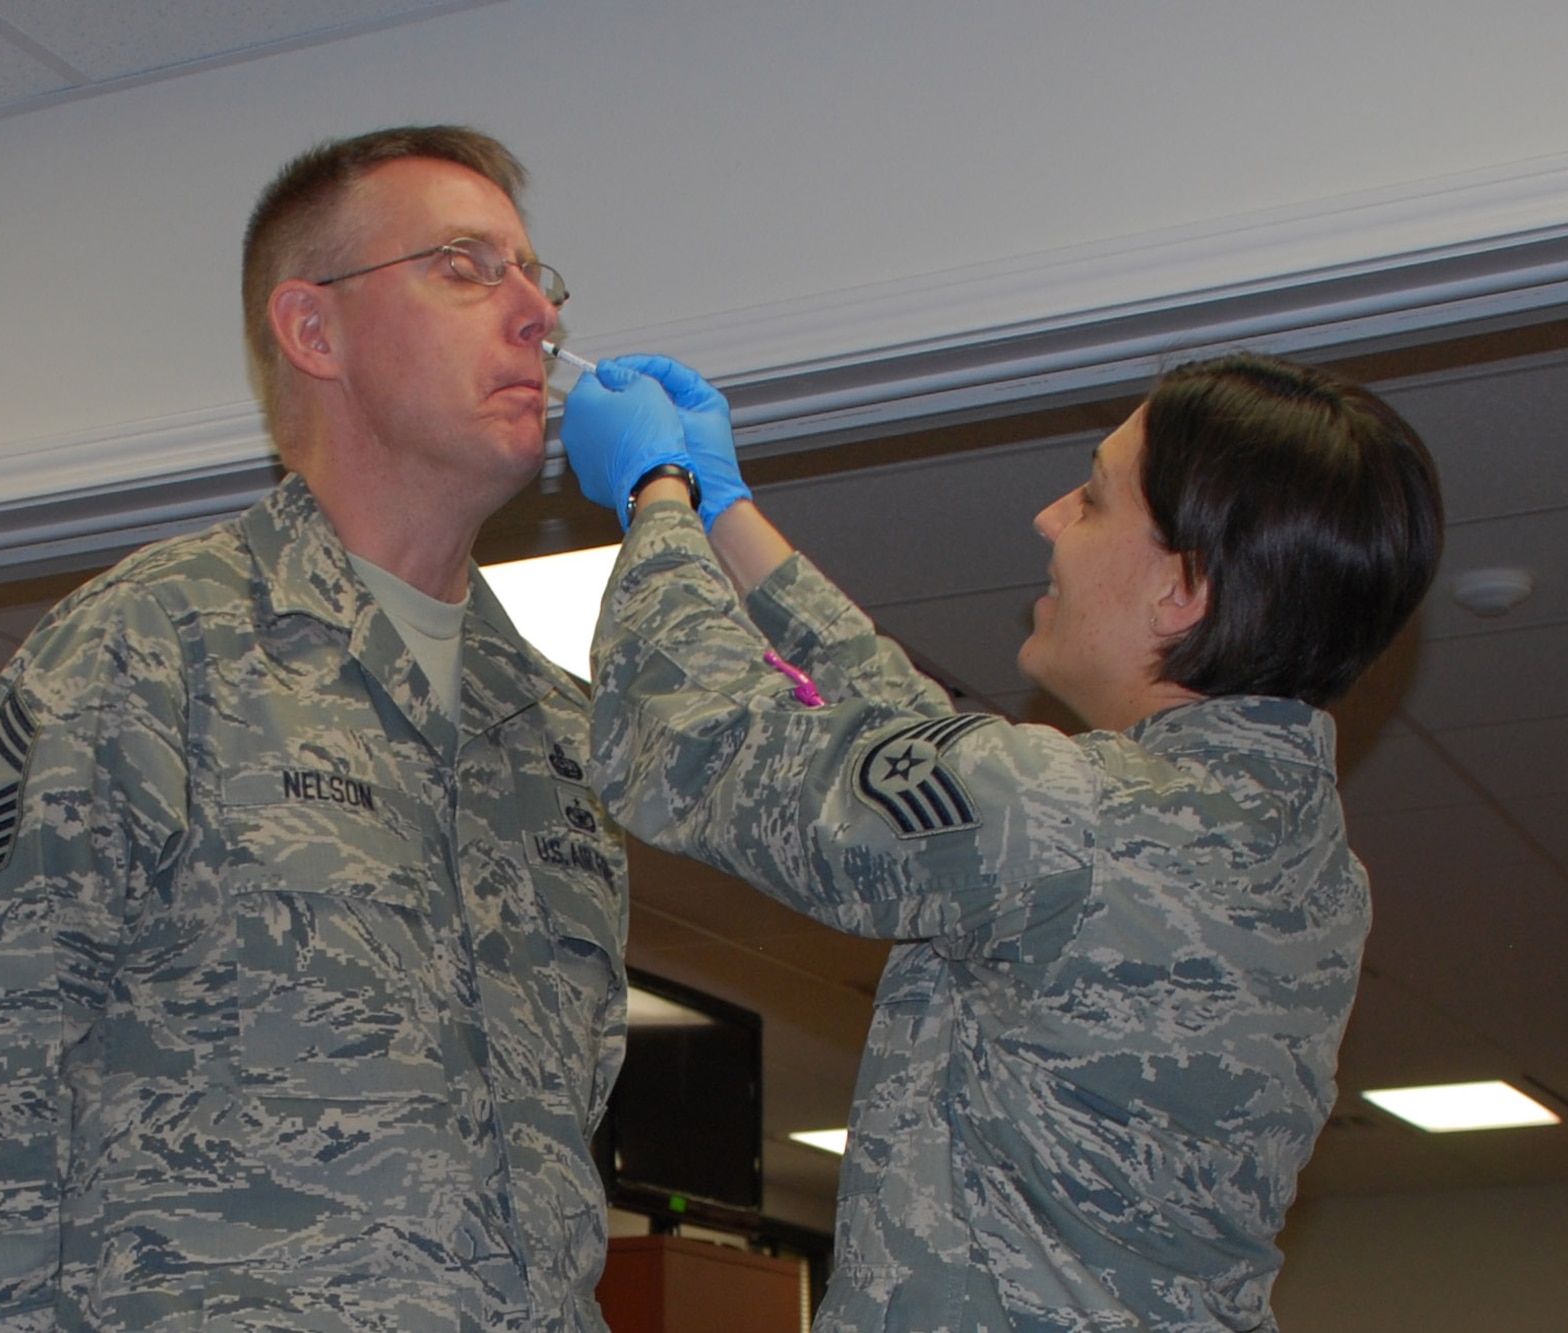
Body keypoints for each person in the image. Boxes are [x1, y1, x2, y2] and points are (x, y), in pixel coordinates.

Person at [0, 126, 628, 1332]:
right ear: (312, 331)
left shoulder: (554, 734)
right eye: (467, 267)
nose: (535, 313)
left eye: (540, 279)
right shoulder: (148, 652)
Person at [557, 350, 1443, 1331]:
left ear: (1179, 590)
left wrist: (659, 496)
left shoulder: (1068, 820)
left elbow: (697, 740)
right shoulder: (1309, 867)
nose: (1050, 519)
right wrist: (730, 516)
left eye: (1092, 499)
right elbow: (920, 770)